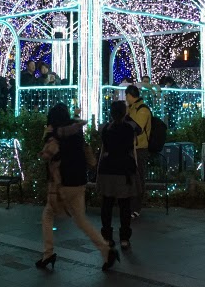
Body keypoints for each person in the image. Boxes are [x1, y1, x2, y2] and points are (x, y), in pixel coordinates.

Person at [37, 103, 119, 271]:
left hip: (62, 183)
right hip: (79, 181)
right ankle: (105, 249)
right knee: (81, 220)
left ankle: (48, 253)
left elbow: (48, 154)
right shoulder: (76, 131)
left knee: (47, 215)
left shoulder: (54, 134)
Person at [98, 101, 138, 250]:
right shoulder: (128, 128)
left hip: (107, 169)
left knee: (107, 204)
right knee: (124, 205)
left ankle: (107, 236)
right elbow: (137, 132)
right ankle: (124, 238)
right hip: (123, 170)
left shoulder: (106, 129)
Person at [125, 84, 150, 219]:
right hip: (131, 147)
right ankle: (131, 206)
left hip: (140, 148)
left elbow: (138, 128)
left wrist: (126, 117)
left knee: (139, 178)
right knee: (131, 178)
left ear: (130, 95)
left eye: (126, 96)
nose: (126, 99)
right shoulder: (132, 108)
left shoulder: (142, 109)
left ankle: (136, 208)